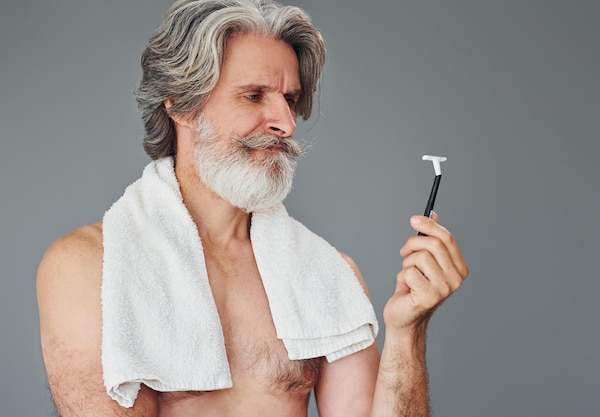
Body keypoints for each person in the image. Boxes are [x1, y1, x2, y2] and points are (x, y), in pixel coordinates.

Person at [36, 0, 469, 416]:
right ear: (181, 105)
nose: (286, 122)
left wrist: (407, 331)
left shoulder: (327, 274)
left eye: (290, 99)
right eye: (254, 95)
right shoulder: (89, 267)